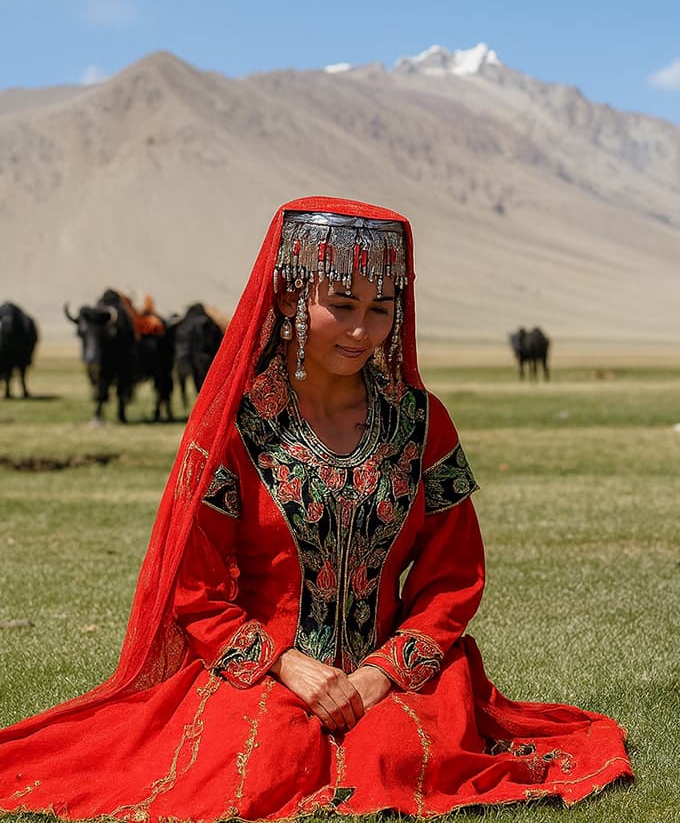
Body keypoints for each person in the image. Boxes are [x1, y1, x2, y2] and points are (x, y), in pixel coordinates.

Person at [0, 197, 632, 820]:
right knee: (267, 759)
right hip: (270, 673)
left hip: (394, 675)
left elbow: (454, 575)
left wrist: (382, 673)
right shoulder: (237, 428)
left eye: (380, 309)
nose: (362, 330)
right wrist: (284, 664)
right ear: (288, 299)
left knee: (397, 754)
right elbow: (193, 587)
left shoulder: (422, 424)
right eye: (342, 306)